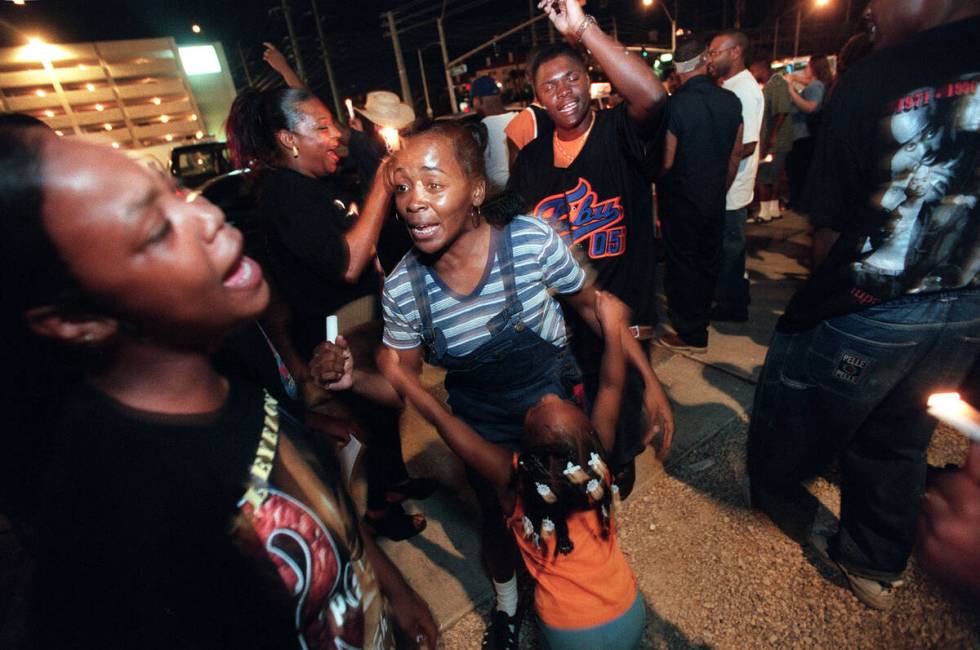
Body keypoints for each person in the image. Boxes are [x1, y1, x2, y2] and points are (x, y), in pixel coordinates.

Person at [0, 127, 437, 649]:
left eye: (176, 191)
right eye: (156, 229)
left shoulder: (227, 377)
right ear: (73, 318)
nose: (208, 216)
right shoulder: (125, 526)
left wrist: (393, 588)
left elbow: (321, 509)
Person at [380, 121, 672, 649]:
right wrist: (356, 376)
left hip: (554, 406)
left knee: (570, 513)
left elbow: (595, 306)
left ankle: (580, 587)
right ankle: (509, 604)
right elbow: (400, 380)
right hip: (480, 416)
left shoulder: (531, 239)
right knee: (496, 520)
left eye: (432, 183)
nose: (413, 202)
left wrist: (648, 382)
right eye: (401, 187)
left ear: (473, 191)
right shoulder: (403, 289)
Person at [747, 0, 980, 611]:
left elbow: (828, 233)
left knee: (793, 406)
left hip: (871, 308)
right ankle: (873, 564)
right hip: (967, 306)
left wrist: (817, 306)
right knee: (903, 433)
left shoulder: (875, 77)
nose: (868, 8)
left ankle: (777, 498)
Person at [379, 290, 645, 650]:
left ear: (525, 451)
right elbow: (613, 384)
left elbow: (446, 423)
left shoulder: (512, 483)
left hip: (569, 630)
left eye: (540, 410)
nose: (545, 397)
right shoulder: (599, 466)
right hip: (629, 607)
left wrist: (402, 377)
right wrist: (614, 325)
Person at [226, 86, 434, 540]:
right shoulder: (284, 192)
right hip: (337, 334)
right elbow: (347, 262)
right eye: (321, 127)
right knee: (378, 415)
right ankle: (381, 509)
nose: (336, 134)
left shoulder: (311, 186)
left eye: (332, 123)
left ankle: (395, 484)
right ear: (288, 139)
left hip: (357, 320)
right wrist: (383, 180)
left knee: (387, 412)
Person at [507, 0, 672, 495]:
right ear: (537, 98)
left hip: (626, 308)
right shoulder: (533, 158)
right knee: (579, 406)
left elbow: (653, 96)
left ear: (589, 78)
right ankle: (596, 462)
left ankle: (619, 468)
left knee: (621, 405)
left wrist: (583, 30)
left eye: (572, 78)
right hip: (567, 315)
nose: (564, 92)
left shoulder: (619, 130)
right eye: (549, 85)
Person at [655, 39, 744, 353]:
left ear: (678, 71)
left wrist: (656, 187)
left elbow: (665, 161)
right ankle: (700, 318)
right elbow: (736, 153)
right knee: (709, 260)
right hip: (714, 197)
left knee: (682, 267)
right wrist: (720, 185)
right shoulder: (732, 101)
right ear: (705, 61)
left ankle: (691, 333)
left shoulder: (675, 105)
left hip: (680, 201)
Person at [706, 29, 765, 323]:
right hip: (728, 184)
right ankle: (734, 295)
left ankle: (732, 305)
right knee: (729, 248)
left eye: (716, 51)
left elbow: (749, 143)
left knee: (731, 248)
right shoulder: (732, 85)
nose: (711, 58)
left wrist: (708, 160)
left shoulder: (744, 89)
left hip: (733, 186)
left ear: (736, 52)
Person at [785, 55, 834, 210]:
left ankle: (799, 204)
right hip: (806, 135)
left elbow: (810, 107)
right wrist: (795, 79)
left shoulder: (815, 86)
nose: (805, 69)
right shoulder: (820, 85)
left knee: (798, 172)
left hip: (802, 135)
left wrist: (790, 91)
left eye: (807, 66)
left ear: (813, 68)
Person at [755, 60, 795, 223]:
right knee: (774, 175)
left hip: (776, 140)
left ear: (760, 68)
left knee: (765, 174)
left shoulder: (776, 84)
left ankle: (764, 212)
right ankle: (772, 209)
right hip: (778, 139)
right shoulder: (775, 84)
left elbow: (782, 111)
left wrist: (772, 136)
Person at [470, 75, 518, 196]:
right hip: (524, 191)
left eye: (473, 101)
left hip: (497, 198)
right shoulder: (520, 119)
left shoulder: (481, 129)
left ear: (479, 100)